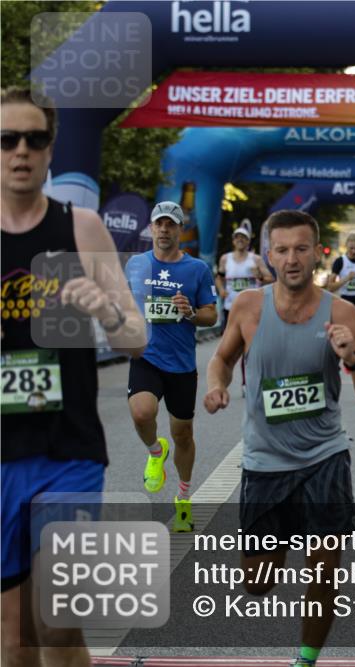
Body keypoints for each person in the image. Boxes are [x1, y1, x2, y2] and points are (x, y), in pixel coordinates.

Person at [1, 86, 146, 667]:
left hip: (69, 451)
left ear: (51, 148)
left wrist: (108, 311)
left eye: (35, 139)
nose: (21, 151)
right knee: (11, 638)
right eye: (7, 139)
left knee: (58, 627)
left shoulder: (81, 228)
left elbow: (136, 337)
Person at [204, 210, 355, 667]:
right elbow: (222, 358)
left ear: (317, 253)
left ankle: (305, 660)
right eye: (282, 249)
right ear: (268, 255)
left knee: (323, 568)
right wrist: (216, 384)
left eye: (301, 248)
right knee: (258, 582)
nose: (291, 259)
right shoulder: (247, 307)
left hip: (325, 456)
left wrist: (354, 360)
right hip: (265, 462)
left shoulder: (341, 314)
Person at [124, 201, 217, 532]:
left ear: (180, 230)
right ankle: (154, 451)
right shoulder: (135, 265)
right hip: (146, 357)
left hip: (180, 364)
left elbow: (212, 314)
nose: (164, 229)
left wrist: (190, 311)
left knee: (183, 434)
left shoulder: (197, 269)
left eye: (171, 224)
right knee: (141, 413)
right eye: (159, 224)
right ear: (151, 229)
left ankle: (183, 498)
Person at [215, 222, 273, 330]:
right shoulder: (225, 259)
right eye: (237, 237)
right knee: (231, 342)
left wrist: (260, 277)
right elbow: (219, 278)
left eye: (243, 237)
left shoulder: (256, 259)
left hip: (252, 307)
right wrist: (221, 290)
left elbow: (271, 279)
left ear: (248, 241)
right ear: (233, 241)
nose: (240, 240)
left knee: (251, 341)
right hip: (230, 307)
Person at [325, 233, 355, 326]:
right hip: (347, 299)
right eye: (351, 248)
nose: (354, 251)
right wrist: (346, 278)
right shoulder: (340, 262)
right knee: (349, 333)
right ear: (346, 246)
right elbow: (330, 286)